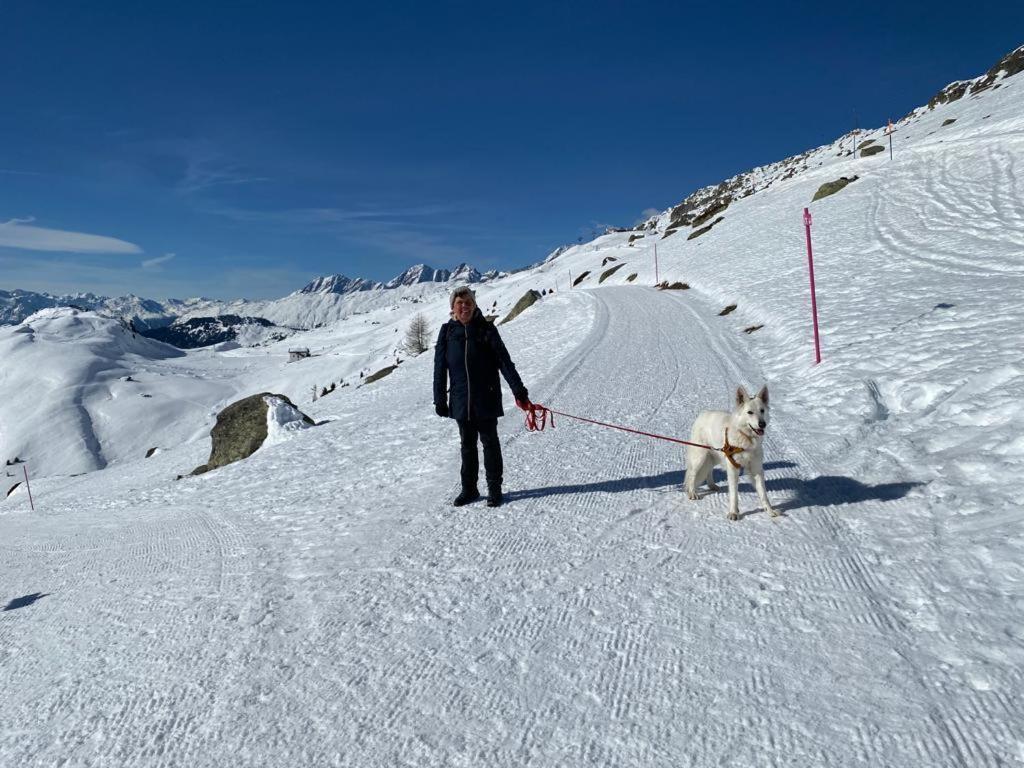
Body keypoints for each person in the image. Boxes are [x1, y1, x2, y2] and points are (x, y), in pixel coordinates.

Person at [433, 286, 530, 507]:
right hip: (460, 400)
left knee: (490, 444)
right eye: (460, 303)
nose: (464, 306)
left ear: (475, 305)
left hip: (485, 397)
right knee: (467, 446)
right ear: (453, 308)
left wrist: (519, 390)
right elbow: (440, 368)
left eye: (468, 302)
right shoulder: (447, 332)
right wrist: (439, 398)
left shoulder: (486, 329)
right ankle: (469, 489)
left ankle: (494, 489)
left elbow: (504, 362)